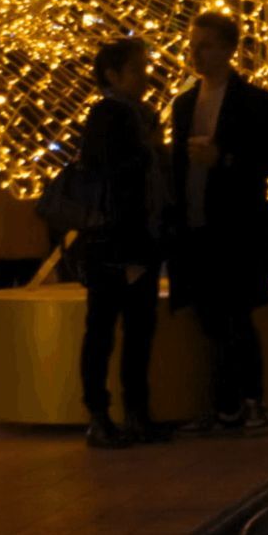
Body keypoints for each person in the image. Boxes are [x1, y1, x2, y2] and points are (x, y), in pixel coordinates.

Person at [170, 12, 268, 436]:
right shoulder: (184, 104)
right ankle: (225, 406)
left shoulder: (253, 102)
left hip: (237, 226)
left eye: (205, 45)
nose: (195, 53)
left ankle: (252, 401)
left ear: (229, 49)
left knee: (237, 316)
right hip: (197, 226)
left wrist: (226, 159)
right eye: (193, 44)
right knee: (210, 319)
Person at [77, 38, 169, 448]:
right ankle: (100, 415)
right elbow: (111, 174)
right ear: (112, 75)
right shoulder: (108, 115)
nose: (145, 74)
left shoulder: (139, 114)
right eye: (136, 68)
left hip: (138, 240)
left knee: (137, 330)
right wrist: (147, 151)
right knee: (104, 329)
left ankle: (136, 413)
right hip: (113, 243)